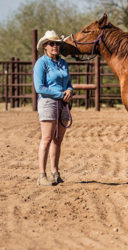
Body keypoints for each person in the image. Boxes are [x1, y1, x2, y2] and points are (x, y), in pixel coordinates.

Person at [33, 30, 74, 186]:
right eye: (52, 43)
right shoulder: (41, 63)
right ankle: (41, 175)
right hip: (49, 102)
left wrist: (70, 90)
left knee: (58, 140)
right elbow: (40, 87)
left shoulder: (63, 63)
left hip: (63, 102)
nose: (55, 46)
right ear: (45, 46)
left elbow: (68, 82)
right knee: (47, 138)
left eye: (57, 43)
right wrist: (60, 93)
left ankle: (55, 172)